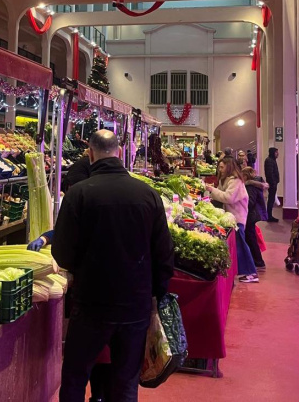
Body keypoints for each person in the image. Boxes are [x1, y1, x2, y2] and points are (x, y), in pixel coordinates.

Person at [53, 130, 174, 402]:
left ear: (91, 154)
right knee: (126, 383)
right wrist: (156, 294)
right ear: (119, 152)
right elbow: (165, 254)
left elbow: (62, 253)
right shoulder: (148, 194)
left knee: (74, 378)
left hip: (91, 304)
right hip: (135, 305)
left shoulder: (78, 195)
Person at [208, 156, 259, 283]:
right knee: (238, 244)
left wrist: (211, 190)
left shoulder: (235, 181)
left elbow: (228, 197)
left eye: (221, 167)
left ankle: (251, 272)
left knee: (241, 244)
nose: (220, 170)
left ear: (228, 167)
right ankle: (245, 271)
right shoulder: (226, 180)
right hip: (230, 217)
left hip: (237, 218)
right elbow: (221, 194)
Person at [242, 167, 268, 271]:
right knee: (251, 238)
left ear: (246, 176)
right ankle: (256, 260)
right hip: (252, 215)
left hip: (251, 216)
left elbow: (250, 202)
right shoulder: (254, 185)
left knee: (251, 239)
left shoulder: (250, 187)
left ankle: (258, 262)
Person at [264, 147, 280, 222]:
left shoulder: (272, 160)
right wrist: (273, 182)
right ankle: (269, 216)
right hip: (272, 183)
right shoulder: (269, 161)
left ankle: (269, 215)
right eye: (276, 152)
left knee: (272, 199)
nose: (277, 154)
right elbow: (269, 173)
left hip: (273, 182)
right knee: (271, 199)